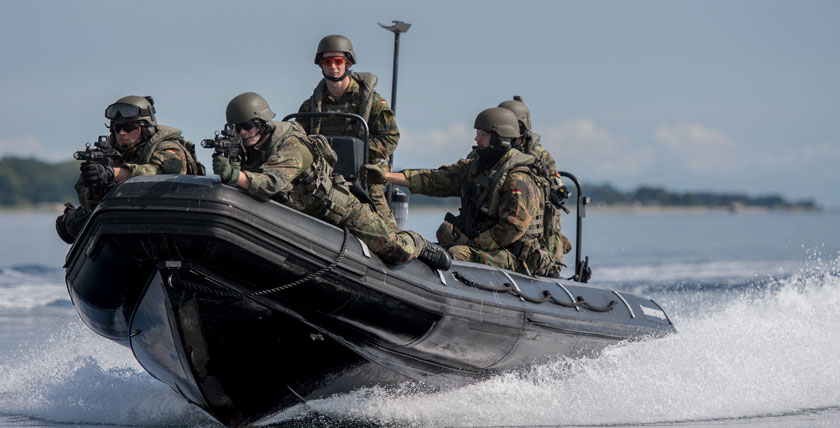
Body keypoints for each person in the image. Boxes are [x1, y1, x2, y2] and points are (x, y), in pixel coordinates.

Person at [211, 92, 450, 271]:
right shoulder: (247, 150)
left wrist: (235, 176)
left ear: (261, 123)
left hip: (339, 209)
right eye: (236, 129)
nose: (242, 133)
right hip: (300, 216)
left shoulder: (292, 145)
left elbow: (271, 182)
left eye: (247, 127)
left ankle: (418, 242)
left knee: (394, 251)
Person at [366, 108, 559, 276]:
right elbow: (436, 179)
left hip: (513, 256)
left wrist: (473, 243)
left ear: (498, 138)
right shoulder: (477, 168)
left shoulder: (519, 179)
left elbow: (512, 228)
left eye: (482, 134)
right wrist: (386, 177)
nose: (476, 138)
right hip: (487, 246)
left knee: (458, 254)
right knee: (445, 233)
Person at [56, 95, 204, 243]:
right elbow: (87, 200)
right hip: (127, 223)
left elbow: (164, 174)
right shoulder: (107, 153)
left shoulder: (167, 147)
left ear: (145, 127)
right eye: (117, 128)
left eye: (128, 128)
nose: (122, 133)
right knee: (72, 221)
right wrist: (95, 187)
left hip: (171, 217)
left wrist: (112, 173)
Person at [297, 34, 400, 230]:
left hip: (364, 178)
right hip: (323, 180)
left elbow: (390, 137)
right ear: (321, 65)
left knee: (387, 233)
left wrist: (359, 155)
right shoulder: (310, 107)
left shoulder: (372, 102)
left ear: (348, 63)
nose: (333, 67)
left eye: (338, 61)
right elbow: (298, 141)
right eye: (328, 61)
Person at [498, 96, 572, 272]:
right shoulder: (496, 150)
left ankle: (552, 265)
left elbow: (557, 185)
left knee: (549, 214)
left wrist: (544, 179)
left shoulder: (540, 154)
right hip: (508, 204)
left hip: (536, 209)